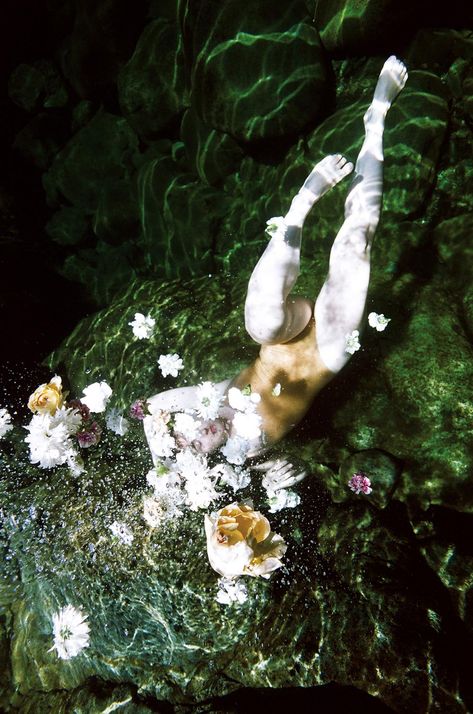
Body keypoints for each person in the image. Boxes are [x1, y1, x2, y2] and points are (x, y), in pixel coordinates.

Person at [145, 56, 408, 490]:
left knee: (263, 319)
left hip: (283, 334)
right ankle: (376, 120)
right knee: (357, 239)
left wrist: (160, 447)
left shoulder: (203, 402)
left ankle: (298, 210)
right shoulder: (246, 457)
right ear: (209, 469)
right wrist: (293, 471)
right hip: (327, 350)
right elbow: (299, 463)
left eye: (182, 435)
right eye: (195, 450)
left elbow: (152, 405)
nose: (195, 435)